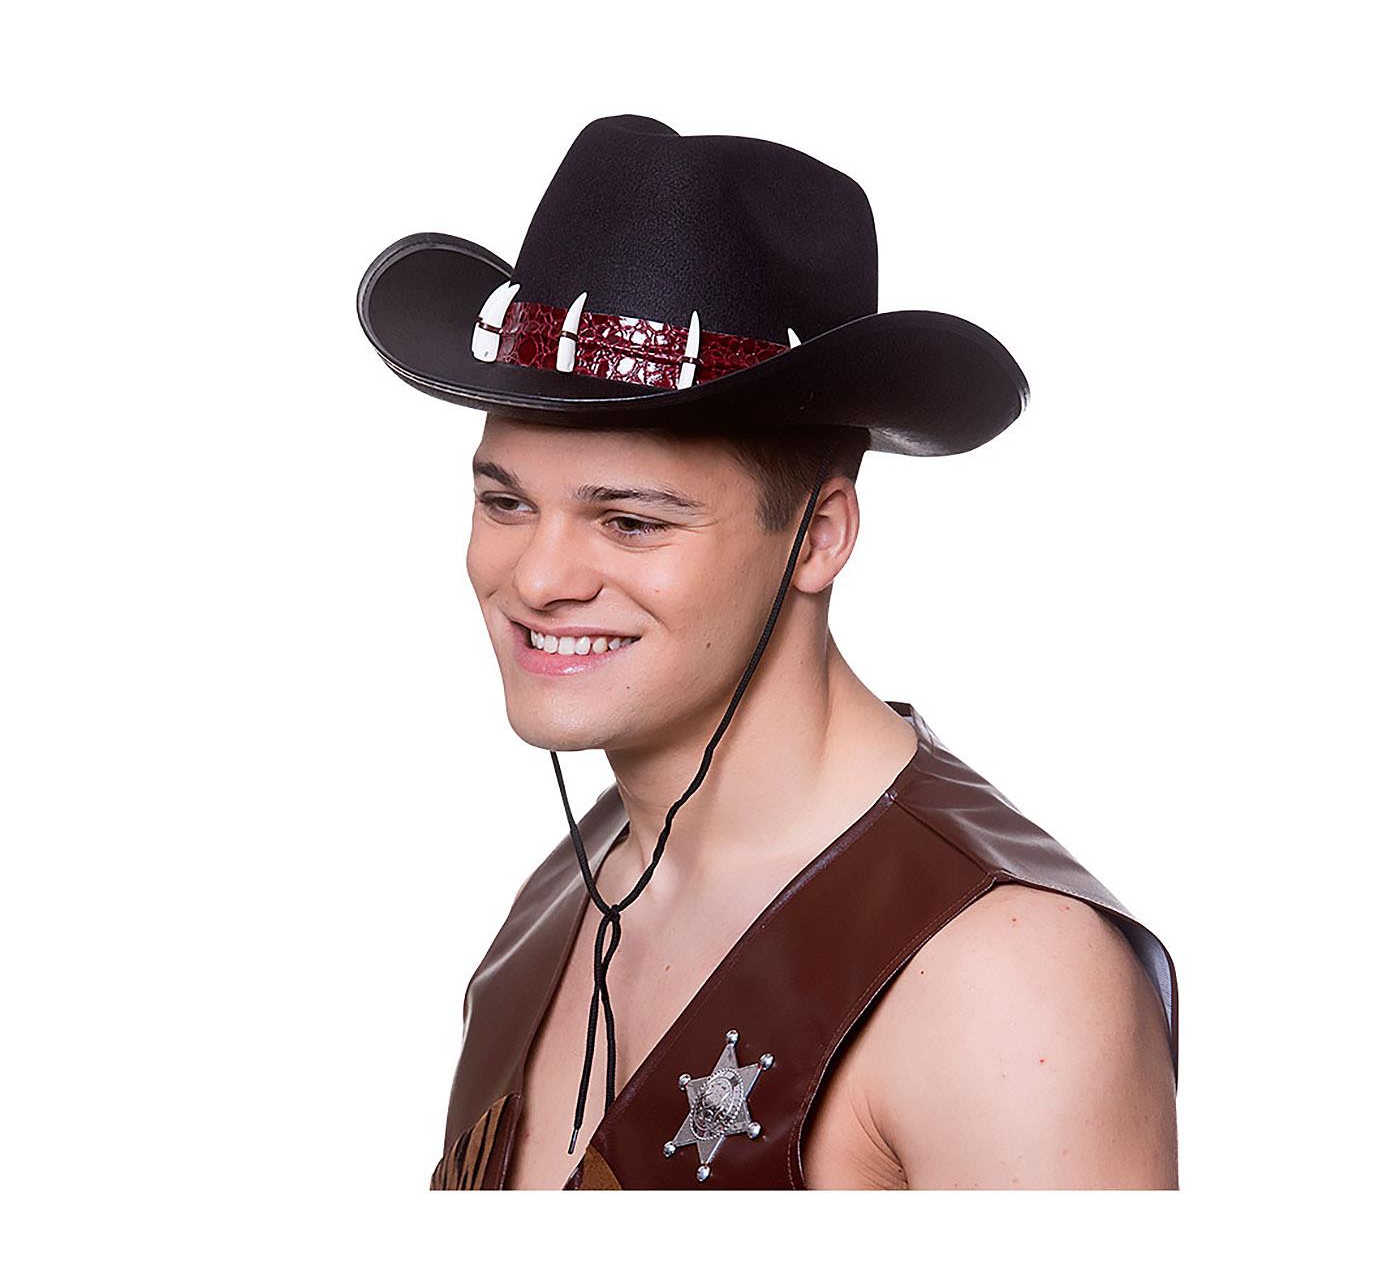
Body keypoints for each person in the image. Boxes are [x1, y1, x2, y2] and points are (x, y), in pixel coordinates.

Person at [356, 115, 1179, 1190]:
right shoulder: (562, 898)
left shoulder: (1004, 981)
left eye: (630, 522)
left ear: (817, 537)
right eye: (505, 502)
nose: (539, 576)